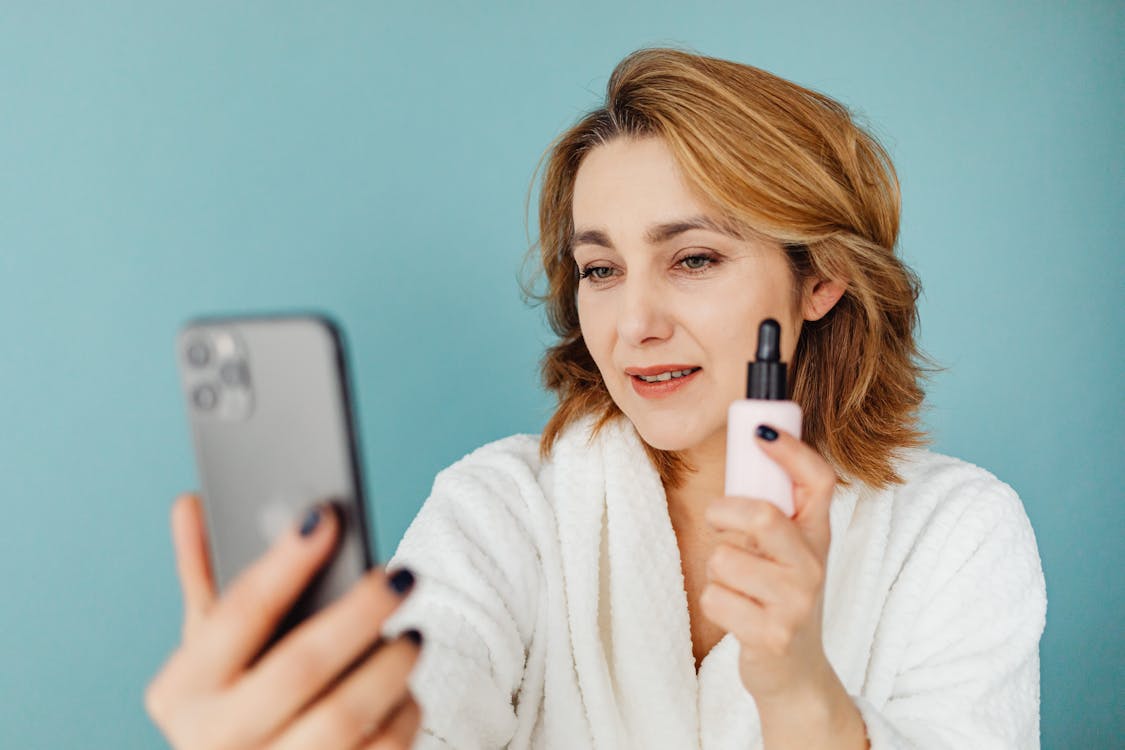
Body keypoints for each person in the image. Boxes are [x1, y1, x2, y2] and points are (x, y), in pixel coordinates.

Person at [146, 48, 1047, 749]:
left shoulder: (957, 534)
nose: (633, 323)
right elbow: (430, 698)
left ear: (821, 282)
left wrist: (796, 687)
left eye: (692, 258)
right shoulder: (504, 508)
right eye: (601, 269)